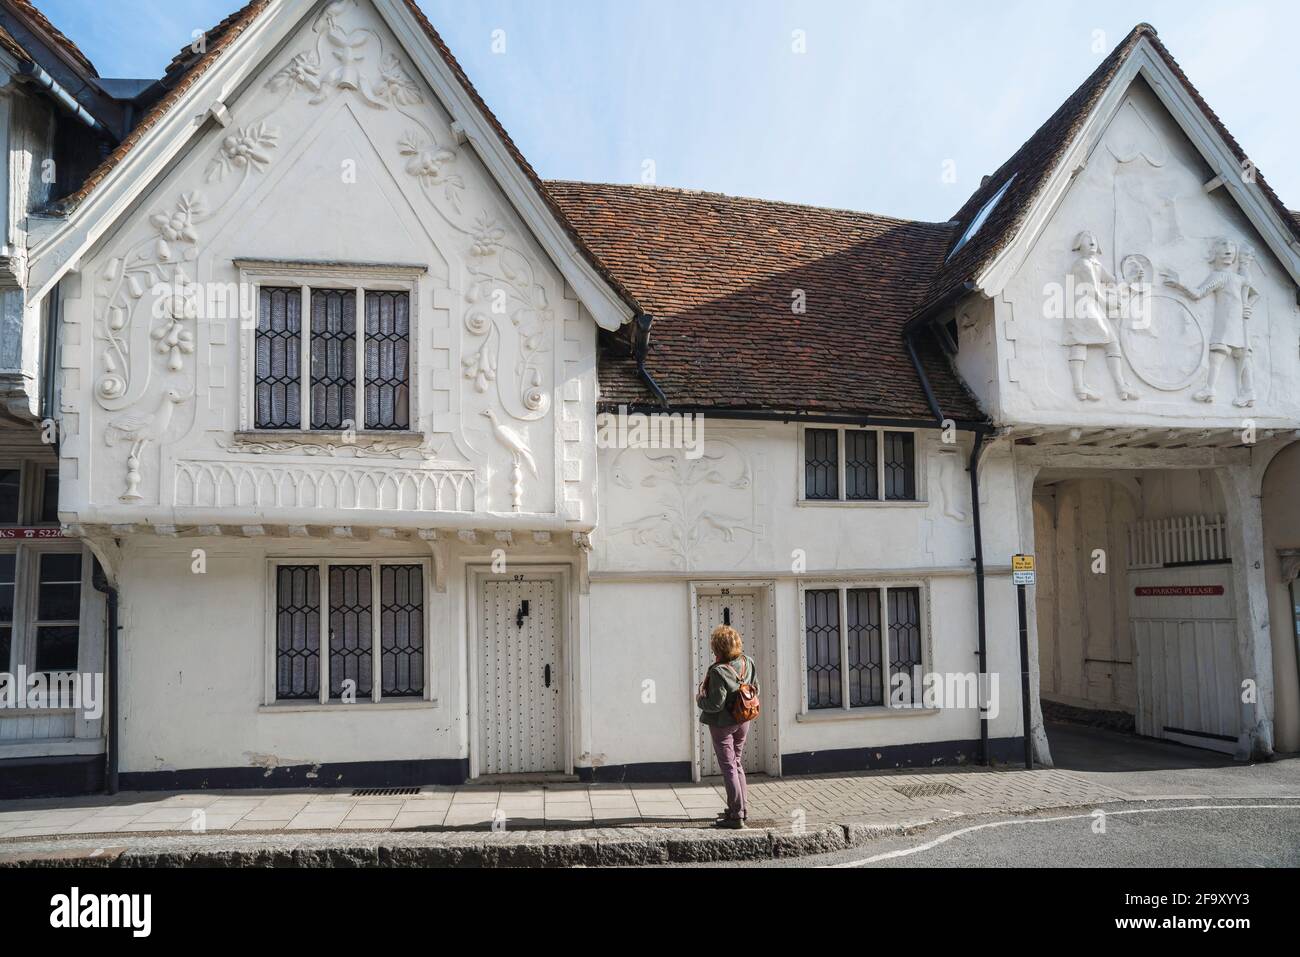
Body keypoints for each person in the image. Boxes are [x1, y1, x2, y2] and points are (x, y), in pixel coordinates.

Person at [696, 624, 759, 828]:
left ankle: (735, 815)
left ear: (718, 648)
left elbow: (715, 704)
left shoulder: (718, 671)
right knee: (737, 763)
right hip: (743, 719)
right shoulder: (748, 662)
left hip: (723, 723)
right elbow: (755, 688)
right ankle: (742, 808)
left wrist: (699, 700)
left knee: (729, 767)